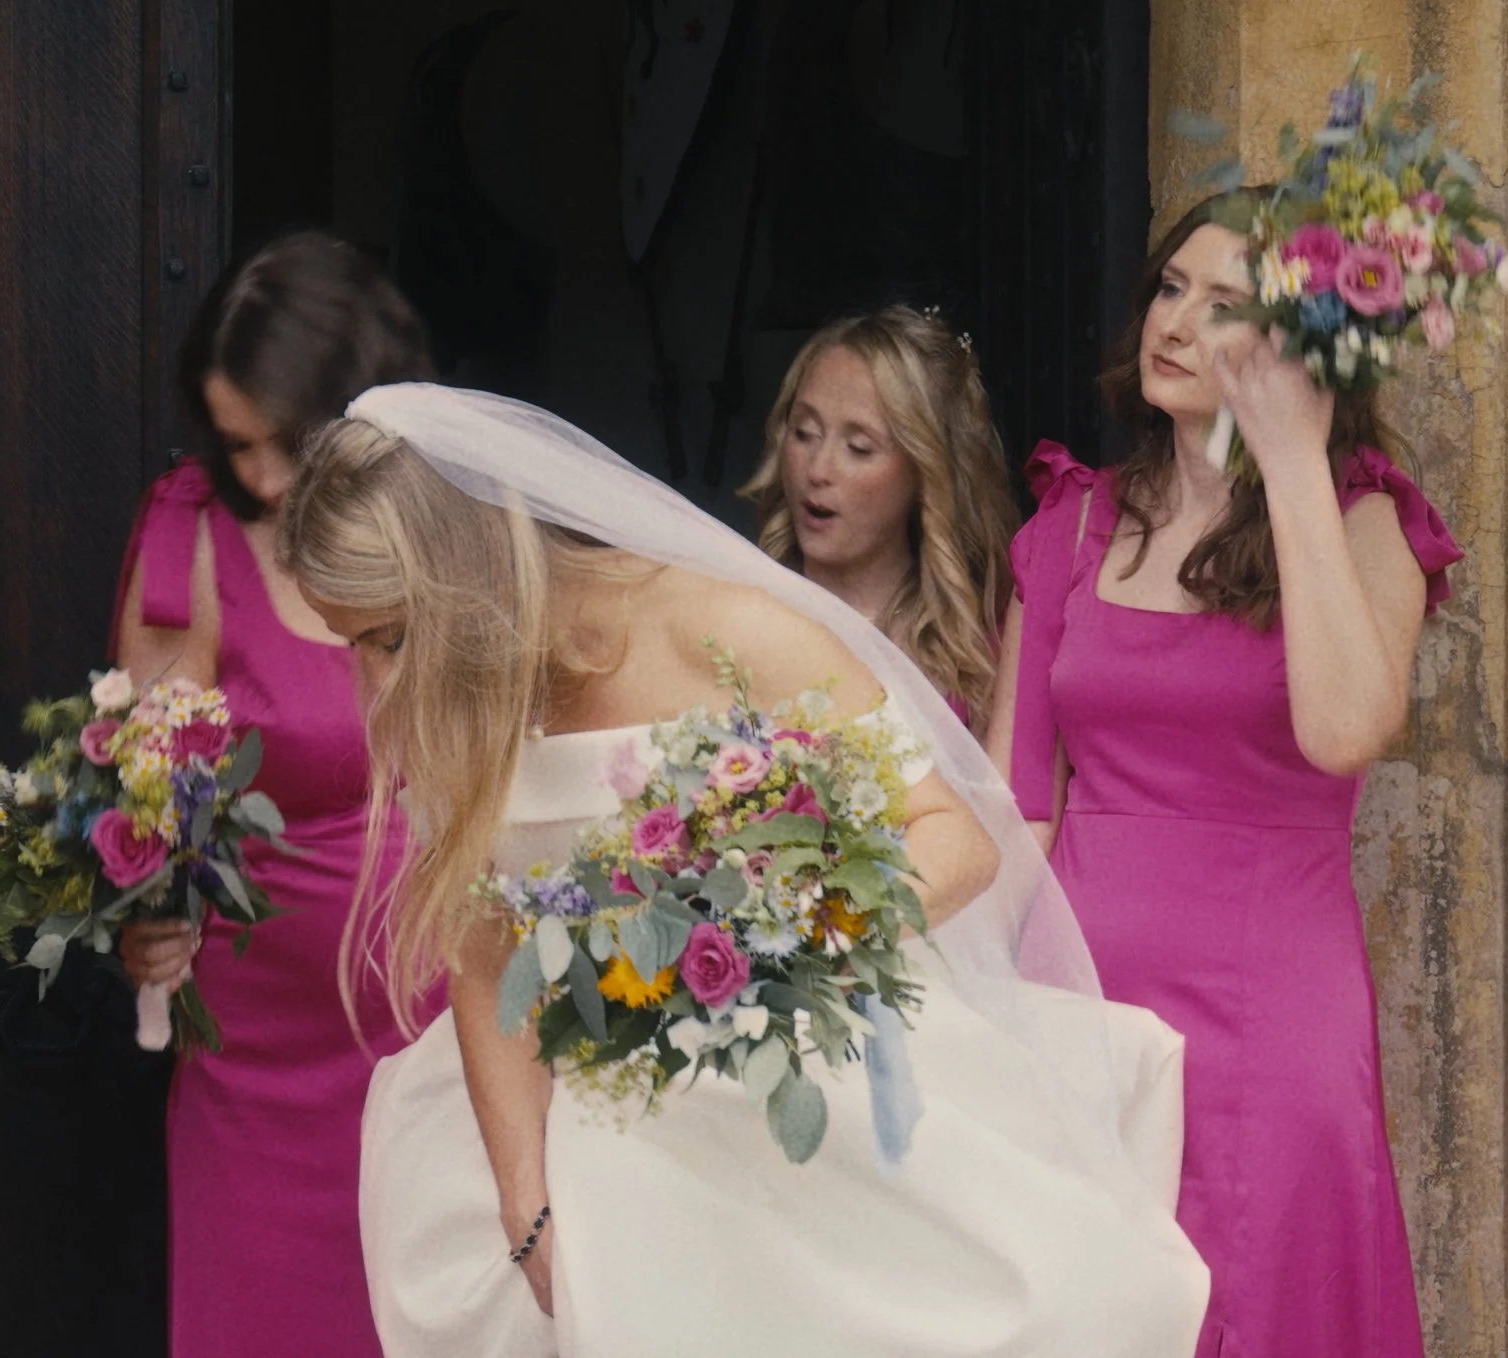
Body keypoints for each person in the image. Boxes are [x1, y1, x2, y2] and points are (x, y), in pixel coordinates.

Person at [279, 383, 1209, 1356]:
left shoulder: (717, 626)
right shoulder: (459, 699)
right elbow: (484, 943)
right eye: (357, 645)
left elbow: (951, 836)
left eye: (388, 636)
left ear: (466, 580)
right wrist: (527, 1201)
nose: (376, 684)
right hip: (579, 1109)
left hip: (790, 1072)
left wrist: (766, 952)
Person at [986, 196, 1461, 1356]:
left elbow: (1348, 725)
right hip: (1081, 995)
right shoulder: (1072, 523)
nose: (1179, 322)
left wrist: (1293, 458)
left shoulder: (1362, 524)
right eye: (1169, 288)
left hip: (1270, 1012)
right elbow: (1016, 809)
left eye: (1228, 307)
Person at [107, 230, 433, 1357]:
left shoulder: (450, 523)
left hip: (439, 1025)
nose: (262, 475)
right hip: (261, 1055)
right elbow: (144, 796)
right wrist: (144, 916)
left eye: (285, 440)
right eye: (237, 442)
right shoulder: (191, 535)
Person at [738, 305, 1015, 727]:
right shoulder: (735, 620)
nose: (817, 470)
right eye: (804, 434)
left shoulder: (978, 660)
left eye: (859, 448)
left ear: (926, 471)